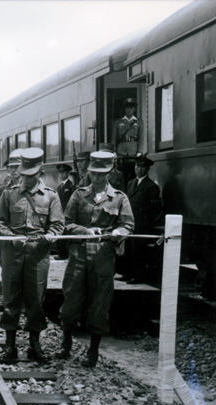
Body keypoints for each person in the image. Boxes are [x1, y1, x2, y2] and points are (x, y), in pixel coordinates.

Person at [57, 151, 134, 367]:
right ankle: (66, 345)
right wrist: (84, 231)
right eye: (93, 173)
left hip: (104, 255)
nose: (97, 178)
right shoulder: (79, 195)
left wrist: (120, 233)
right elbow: (66, 222)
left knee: (100, 303)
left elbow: (128, 224)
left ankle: (93, 351)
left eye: (101, 174)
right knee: (71, 298)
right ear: (89, 172)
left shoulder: (119, 197)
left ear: (109, 173)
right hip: (79, 253)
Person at [0, 148, 65, 364]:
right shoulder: (9, 193)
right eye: (23, 175)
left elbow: (58, 223)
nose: (25, 179)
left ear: (39, 173)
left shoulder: (51, 196)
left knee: (36, 300)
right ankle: (10, 345)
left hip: (37, 255)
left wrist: (50, 236)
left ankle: (35, 345)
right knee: (10, 299)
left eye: (30, 175)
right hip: (13, 254)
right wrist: (10, 236)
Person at [123, 155, 162, 284]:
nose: (138, 169)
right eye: (137, 166)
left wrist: (145, 222)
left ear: (147, 169)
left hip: (141, 224)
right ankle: (128, 273)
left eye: (142, 167)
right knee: (128, 249)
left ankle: (138, 276)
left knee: (139, 251)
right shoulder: (130, 183)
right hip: (130, 222)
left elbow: (155, 209)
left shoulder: (151, 187)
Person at [114, 98, 146, 185]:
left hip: (133, 152)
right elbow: (114, 138)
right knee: (121, 175)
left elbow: (141, 138)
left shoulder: (139, 122)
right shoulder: (117, 122)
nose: (129, 110)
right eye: (127, 108)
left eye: (131, 108)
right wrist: (114, 151)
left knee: (133, 174)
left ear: (134, 109)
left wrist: (140, 151)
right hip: (121, 152)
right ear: (124, 109)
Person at [56, 163, 75, 260]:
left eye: (63, 172)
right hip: (60, 213)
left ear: (68, 173)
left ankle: (65, 254)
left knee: (66, 233)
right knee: (61, 232)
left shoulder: (70, 186)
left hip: (67, 213)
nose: (61, 174)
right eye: (60, 172)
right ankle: (61, 253)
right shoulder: (59, 187)